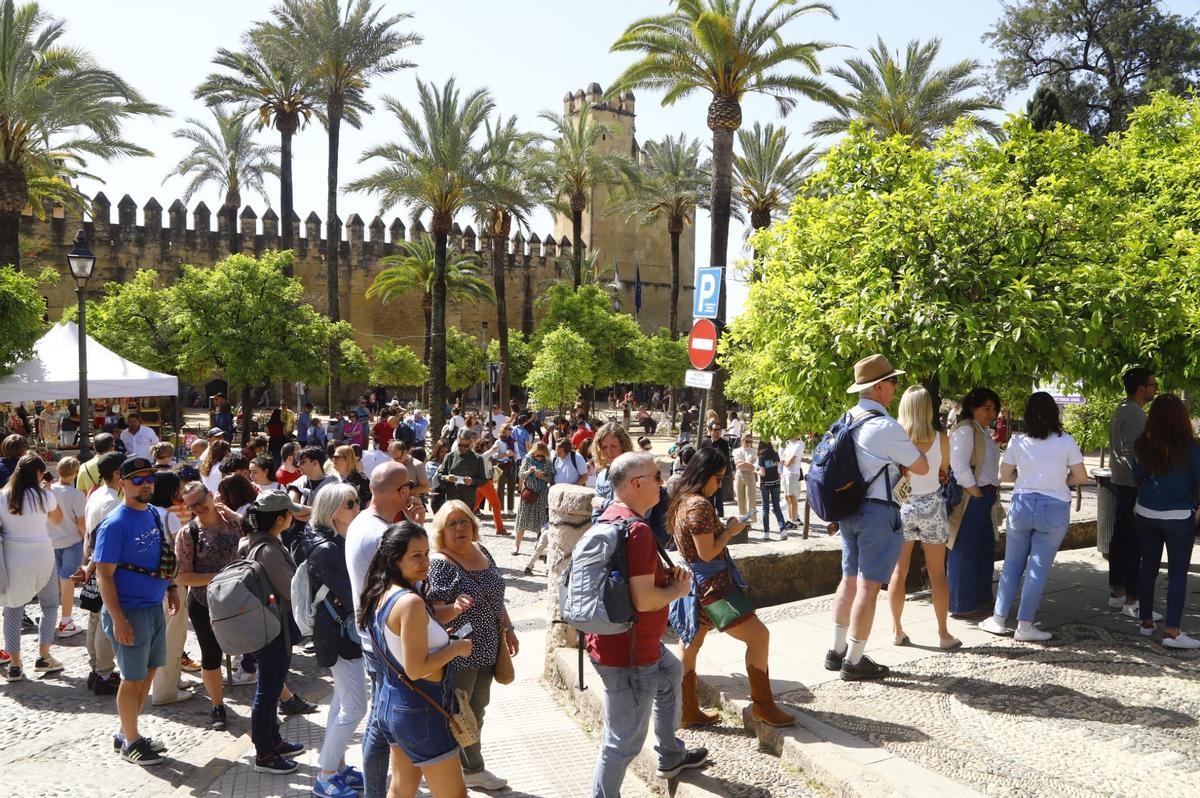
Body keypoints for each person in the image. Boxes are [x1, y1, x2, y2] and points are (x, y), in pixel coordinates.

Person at [590, 453, 706, 795]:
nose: (664, 482)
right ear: (636, 483)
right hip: (630, 654)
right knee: (622, 743)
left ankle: (670, 754)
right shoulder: (637, 531)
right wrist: (678, 588)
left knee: (670, 673)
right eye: (658, 476)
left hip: (624, 642)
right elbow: (645, 600)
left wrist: (660, 577)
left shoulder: (611, 517)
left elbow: (628, 583)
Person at [667, 447, 794, 728]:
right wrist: (730, 531)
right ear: (704, 475)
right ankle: (763, 705)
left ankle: (687, 710)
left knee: (690, 645)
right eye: (718, 477)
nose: (720, 483)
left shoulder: (681, 501)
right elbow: (708, 553)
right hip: (713, 588)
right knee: (759, 637)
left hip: (693, 588)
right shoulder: (699, 506)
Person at [826, 355, 928, 681]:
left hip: (849, 510)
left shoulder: (846, 419)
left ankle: (836, 650)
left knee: (848, 580)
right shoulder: (885, 427)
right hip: (878, 512)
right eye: (893, 382)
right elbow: (923, 466)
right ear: (879, 386)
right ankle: (854, 661)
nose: (895, 388)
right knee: (869, 588)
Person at [358, 522, 472, 797]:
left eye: (426, 553)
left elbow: (411, 633)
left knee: (401, 790)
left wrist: (447, 621)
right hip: (421, 710)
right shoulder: (410, 602)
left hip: (393, 704)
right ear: (395, 559)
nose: (425, 562)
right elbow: (416, 668)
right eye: (416, 556)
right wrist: (456, 648)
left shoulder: (382, 592)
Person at [979, 392, 1089, 642]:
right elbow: (1081, 477)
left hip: (1022, 505)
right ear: (1054, 413)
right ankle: (1025, 625)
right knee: (1037, 569)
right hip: (1054, 507)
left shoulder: (1018, 442)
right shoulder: (1066, 441)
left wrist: (1026, 480)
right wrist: (1060, 481)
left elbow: (1004, 476)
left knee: (1012, 565)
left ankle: (998, 618)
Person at [94, 456, 181, 765]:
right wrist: (118, 618)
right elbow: (103, 574)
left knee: (149, 672)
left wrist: (170, 587)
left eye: (149, 478)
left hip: (154, 607)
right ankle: (131, 740)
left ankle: (127, 732)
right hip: (129, 611)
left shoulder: (154, 514)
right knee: (132, 678)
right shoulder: (115, 523)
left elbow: (160, 558)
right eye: (138, 479)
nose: (146, 484)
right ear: (122, 483)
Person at [427, 501, 518, 791]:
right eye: (452, 524)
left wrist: (509, 627)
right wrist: (454, 608)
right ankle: (471, 769)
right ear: (441, 530)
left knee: (477, 709)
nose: (460, 528)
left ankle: (466, 767)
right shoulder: (440, 563)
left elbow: (496, 597)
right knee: (461, 713)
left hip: (490, 648)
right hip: (461, 653)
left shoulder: (483, 550)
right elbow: (432, 613)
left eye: (464, 521)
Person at [346, 462, 415, 798]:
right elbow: (413, 583)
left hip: (372, 637)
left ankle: (377, 790)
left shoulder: (362, 521)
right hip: (385, 642)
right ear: (401, 492)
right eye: (409, 489)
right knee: (385, 722)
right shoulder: (382, 535)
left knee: (379, 719)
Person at [307, 484, 369, 797]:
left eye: (358, 501)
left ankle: (337, 767)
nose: (358, 507)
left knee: (342, 702)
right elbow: (351, 594)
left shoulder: (337, 541)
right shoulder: (327, 549)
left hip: (342, 632)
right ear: (333, 512)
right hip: (338, 635)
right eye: (350, 503)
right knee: (356, 707)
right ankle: (326, 775)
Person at [887, 386, 960, 650]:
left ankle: (897, 630)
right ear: (928, 408)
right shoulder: (942, 439)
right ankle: (943, 634)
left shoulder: (896, 439)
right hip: (931, 504)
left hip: (903, 504)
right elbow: (943, 471)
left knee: (899, 571)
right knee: (938, 573)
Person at [239, 490, 305, 774]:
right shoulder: (267, 549)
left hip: (265, 626)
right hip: (271, 629)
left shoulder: (255, 541)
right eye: (289, 513)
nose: (293, 516)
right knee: (267, 692)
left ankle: (274, 740)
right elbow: (290, 589)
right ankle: (265, 753)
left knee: (272, 686)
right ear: (280, 518)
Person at [1130, 394, 1200, 648]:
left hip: (1146, 512)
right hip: (1179, 515)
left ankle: (1146, 622)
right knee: (1178, 573)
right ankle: (1172, 632)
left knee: (1147, 566)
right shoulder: (1190, 448)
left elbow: (1137, 476)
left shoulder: (1143, 444)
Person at [175, 481, 243, 729]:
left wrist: (236, 515)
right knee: (211, 655)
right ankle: (217, 706)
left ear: (212, 496)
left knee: (259, 646)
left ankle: (285, 697)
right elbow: (183, 576)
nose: (198, 509)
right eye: (192, 506)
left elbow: (258, 531)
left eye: (201, 503)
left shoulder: (234, 523)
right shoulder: (188, 533)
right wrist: (220, 577)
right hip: (205, 602)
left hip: (239, 597)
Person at [0, 454, 66, 681]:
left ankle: (15, 664)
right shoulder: (43, 496)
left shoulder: (3, 496)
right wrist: (46, 490)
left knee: (13, 609)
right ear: (38, 474)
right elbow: (57, 520)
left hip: (12, 556)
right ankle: (43, 655)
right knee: (49, 605)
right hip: (42, 555)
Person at [946, 387, 1003, 619]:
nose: (992, 413)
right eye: (986, 408)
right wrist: (976, 493)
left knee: (984, 549)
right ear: (973, 407)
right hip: (972, 496)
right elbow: (958, 466)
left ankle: (980, 597)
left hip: (984, 496)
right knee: (964, 550)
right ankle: (961, 603)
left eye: (994, 409)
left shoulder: (981, 431)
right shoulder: (966, 431)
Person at [1107, 367, 1157, 618]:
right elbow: (1133, 455)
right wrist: (1144, 479)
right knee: (1132, 543)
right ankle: (1132, 601)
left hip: (1121, 481)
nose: (1155, 390)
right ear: (1141, 388)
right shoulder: (1136, 414)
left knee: (1120, 538)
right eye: (1152, 385)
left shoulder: (1122, 409)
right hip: (1130, 484)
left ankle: (1117, 592)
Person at [145, 471, 194, 706]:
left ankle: (173, 680)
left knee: (164, 632)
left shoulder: (148, 512)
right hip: (172, 581)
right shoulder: (169, 517)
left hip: (153, 581)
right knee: (173, 635)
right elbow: (180, 551)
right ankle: (165, 690)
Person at [80, 451, 125, 695]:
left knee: (96, 619)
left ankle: (97, 668)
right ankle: (104, 672)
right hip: (103, 567)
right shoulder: (112, 502)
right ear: (117, 474)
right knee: (105, 621)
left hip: (94, 564)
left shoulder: (98, 494)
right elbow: (105, 541)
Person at [50, 456, 87, 638]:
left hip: (52, 541)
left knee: (59, 580)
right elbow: (82, 523)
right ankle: (66, 620)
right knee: (68, 580)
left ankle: (56, 618)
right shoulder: (76, 495)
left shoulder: (48, 492)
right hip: (71, 541)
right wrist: (87, 543)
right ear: (75, 473)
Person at [513, 441, 552, 559]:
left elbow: (550, 478)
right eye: (537, 455)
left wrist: (543, 477)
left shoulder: (548, 463)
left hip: (541, 495)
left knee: (541, 522)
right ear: (533, 453)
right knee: (522, 520)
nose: (539, 457)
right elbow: (520, 476)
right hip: (529, 493)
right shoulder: (528, 460)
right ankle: (516, 546)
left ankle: (539, 548)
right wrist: (529, 471)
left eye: (541, 455)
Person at [436, 429, 488, 508]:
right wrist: (446, 478)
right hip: (451, 501)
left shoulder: (477, 459)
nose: (462, 448)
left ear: (471, 443)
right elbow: (439, 475)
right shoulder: (449, 457)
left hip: (468, 502)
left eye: (466, 446)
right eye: (460, 445)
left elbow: (483, 480)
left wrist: (472, 481)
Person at [471, 436, 508, 535]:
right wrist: (496, 444)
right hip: (485, 483)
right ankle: (500, 528)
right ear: (483, 447)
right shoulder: (483, 456)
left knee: (474, 506)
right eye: (486, 446)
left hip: (481, 483)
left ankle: (465, 523)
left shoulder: (478, 456)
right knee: (496, 505)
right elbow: (494, 450)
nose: (488, 447)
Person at [755, 440, 788, 539]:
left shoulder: (761, 457)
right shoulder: (775, 453)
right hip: (776, 483)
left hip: (765, 484)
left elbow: (763, 473)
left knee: (765, 509)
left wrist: (755, 471)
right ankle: (783, 530)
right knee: (777, 507)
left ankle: (766, 533)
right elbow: (777, 464)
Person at [779, 434, 805, 529]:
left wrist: (784, 461)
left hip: (793, 473)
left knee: (792, 497)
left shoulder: (799, 444)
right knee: (787, 497)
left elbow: (789, 462)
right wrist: (784, 461)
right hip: (786, 473)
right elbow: (782, 458)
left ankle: (793, 520)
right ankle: (790, 519)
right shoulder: (789, 444)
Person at [731, 433, 758, 521]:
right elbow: (737, 465)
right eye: (746, 441)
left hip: (750, 475)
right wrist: (747, 463)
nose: (748, 443)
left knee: (751, 500)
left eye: (750, 441)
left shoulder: (754, 451)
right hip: (739, 475)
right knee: (740, 499)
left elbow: (754, 466)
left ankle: (752, 519)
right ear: (742, 441)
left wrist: (743, 463)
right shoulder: (736, 451)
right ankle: (743, 520)